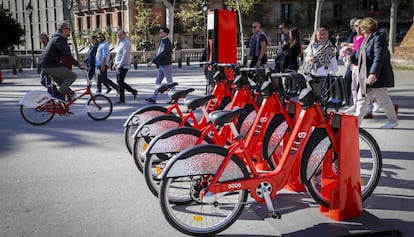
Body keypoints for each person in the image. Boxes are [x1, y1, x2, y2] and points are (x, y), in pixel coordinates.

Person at [354, 17, 398, 129]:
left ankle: (393, 121)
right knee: (361, 100)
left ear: (367, 28)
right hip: (365, 76)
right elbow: (360, 56)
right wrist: (352, 56)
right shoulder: (367, 39)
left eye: (362, 27)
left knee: (383, 100)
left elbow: (379, 57)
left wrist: (373, 73)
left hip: (376, 77)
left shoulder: (378, 38)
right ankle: (355, 125)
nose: (360, 30)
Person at [41, 22, 85, 101]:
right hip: (51, 66)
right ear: (63, 30)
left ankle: (64, 104)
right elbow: (67, 55)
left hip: (51, 65)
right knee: (72, 76)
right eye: (68, 29)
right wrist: (78, 65)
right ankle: (57, 95)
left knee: (62, 83)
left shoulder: (58, 39)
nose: (69, 31)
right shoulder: (58, 39)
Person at [145, 27, 174, 104]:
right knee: (158, 81)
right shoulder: (162, 41)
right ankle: (154, 98)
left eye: (161, 32)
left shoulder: (167, 42)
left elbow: (163, 54)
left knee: (170, 82)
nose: (159, 34)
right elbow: (159, 53)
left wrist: (153, 61)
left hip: (166, 65)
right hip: (162, 65)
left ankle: (174, 98)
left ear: (165, 33)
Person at [114, 29, 137, 104]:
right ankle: (133, 91)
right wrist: (115, 63)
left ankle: (122, 99)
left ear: (124, 35)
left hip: (123, 66)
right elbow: (118, 54)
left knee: (120, 82)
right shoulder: (121, 43)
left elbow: (125, 55)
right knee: (119, 81)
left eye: (120, 35)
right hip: (119, 65)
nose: (119, 36)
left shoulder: (126, 43)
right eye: (118, 35)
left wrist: (120, 64)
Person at [341, 18, 358, 102]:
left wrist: (347, 45)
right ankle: (347, 97)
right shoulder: (353, 34)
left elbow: (357, 45)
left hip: (356, 60)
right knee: (348, 79)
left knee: (350, 79)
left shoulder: (358, 35)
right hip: (351, 59)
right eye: (351, 25)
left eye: (354, 25)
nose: (352, 27)